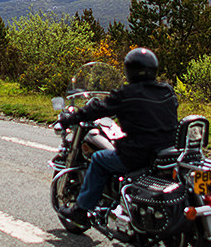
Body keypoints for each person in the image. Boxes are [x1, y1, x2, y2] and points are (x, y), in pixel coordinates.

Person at [56, 47, 179, 229]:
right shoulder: (166, 90)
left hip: (138, 155)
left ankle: (80, 211)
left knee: (98, 159)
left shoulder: (127, 94)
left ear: (129, 70)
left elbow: (98, 109)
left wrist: (70, 118)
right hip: (168, 153)